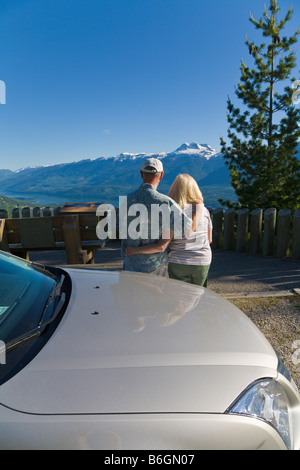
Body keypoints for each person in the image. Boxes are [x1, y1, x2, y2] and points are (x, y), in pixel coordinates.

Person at [126, 174, 212, 287]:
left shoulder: (173, 213)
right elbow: (209, 239)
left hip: (178, 261)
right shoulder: (204, 211)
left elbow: (162, 246)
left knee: (179, 299)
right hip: (203, 260)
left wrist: (134, 250)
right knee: (198, 295)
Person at [121, 158, 193, 275]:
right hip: (155, 266)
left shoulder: (126, 200)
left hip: (130, 264)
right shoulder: (166, 203)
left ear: (141, 174)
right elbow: (187, 230)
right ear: (161, 175)